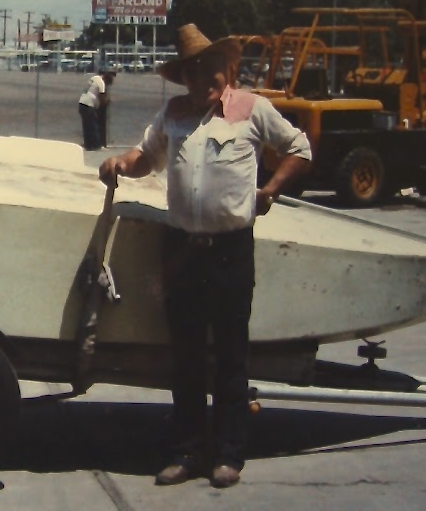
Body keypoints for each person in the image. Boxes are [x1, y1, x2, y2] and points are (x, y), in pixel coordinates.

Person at [98, 24, 311, 488]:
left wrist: (271, 188)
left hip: (230, 251)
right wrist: (118, 164)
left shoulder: (253, 109)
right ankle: (187, 451)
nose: (204, 77)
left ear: (227, 69)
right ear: (184, 76)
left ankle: (229, 455)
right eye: (194, 70)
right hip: (181, 251)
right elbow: (144, 158)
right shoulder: (172, 113)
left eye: (211, 68)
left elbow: (300, 147)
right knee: (187, 357)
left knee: (231, 356)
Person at [78, 68, 115, 150]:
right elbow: (102, 98)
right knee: (93, 126)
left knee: (87, 126)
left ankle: (88, 145)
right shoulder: (101, 83)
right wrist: (107, 101)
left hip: (82, 103)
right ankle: (97, 145)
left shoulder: (94, 78)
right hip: (88, 105)